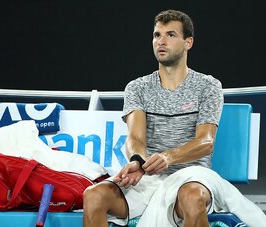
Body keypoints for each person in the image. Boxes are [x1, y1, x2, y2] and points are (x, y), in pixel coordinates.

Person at [83, 9, 266, 227]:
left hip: (193, 177)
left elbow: (205, 143)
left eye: (170, 35)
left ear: (188, 42)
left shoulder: (208, 86)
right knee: (94, 195)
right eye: (156, 35)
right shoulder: (137, 87)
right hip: (148, 180)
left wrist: (169, 157)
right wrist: (138, 161)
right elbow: (135, 138)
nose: (161, 41)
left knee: (192, 197)